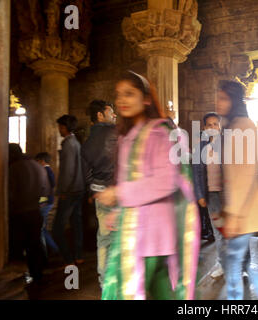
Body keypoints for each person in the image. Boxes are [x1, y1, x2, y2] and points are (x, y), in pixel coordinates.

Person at [96, 71, 200, 300]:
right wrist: (118, 210)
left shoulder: (158, 132)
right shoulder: (129, 135)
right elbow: (130, 180)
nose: (122, 100)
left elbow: (167, 181)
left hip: (149, 232)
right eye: (119, 95)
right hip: (139, 229)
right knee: (164, 291)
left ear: (146, 99)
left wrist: (119, 194)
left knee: (121, 292)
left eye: (129, 94)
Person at [216, 80, 258, 300]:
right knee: (236, 264)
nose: (218, 102)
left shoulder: (242, 126)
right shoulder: (235, 126)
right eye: (218, 97)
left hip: (243, 209)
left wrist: (234, 212)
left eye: (223, 98)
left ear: (234, 100)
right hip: (241, 208)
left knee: (233, 267)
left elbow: (245, 173)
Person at [81, 100, 118, 286]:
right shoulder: (115, 133)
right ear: (100, 115)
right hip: (117, 192)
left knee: (104, 238)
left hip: (99, 194)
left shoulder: (86, 142)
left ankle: (104, 280)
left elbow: (85, 173)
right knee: (121, 236)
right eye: (111, 112)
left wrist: (93, 190)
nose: (114, 115)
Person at [9, 144, 49, 283]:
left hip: (18, 213)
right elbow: (46, 190)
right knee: (34, 244)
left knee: (17, 246)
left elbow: (11, 193)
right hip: (35, 212)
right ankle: (37, 274)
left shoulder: (13, 168)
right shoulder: (38, 166)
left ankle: (17, 277)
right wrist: (40, 205)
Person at [192, 112, 225, 278]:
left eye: (215, 124)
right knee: (219, 231)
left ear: (220, 126)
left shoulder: (228, 145)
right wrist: (199, 195)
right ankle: (222, 263)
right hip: (211, 195)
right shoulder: (201, 147)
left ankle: (241, 265)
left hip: (227, 195)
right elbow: (196, 173)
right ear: (204, 128)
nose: (212, 127)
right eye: (209, 125)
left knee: (235, 231)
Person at [52, 115, 86, 267]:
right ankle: (78, 255)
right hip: (78, 189)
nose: (59, 129)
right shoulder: (76, 143)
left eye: (60, 126)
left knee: (57, 228)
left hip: (70, 191)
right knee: (76, 224)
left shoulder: (68, 144)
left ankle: (68, 259)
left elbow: (68, 171)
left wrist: (62, 191)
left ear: (65, 127)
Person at [35, 152, 59, 256]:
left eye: (37, 161)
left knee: (41, 229)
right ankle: (52, 249)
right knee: (43, 228)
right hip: (46, 202)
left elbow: (49, 185)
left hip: (44, 202)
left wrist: (42, 201)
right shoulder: (48, 170)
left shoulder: (45, 171)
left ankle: (46, 253)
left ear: (42, 161)